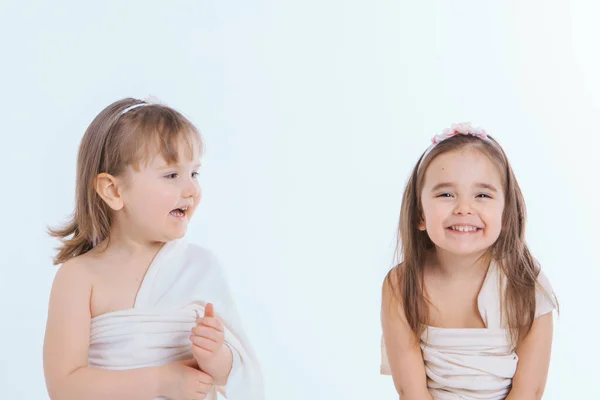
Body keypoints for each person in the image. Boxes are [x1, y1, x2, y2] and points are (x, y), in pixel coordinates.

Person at [43, 97, 263, 400]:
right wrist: (159, 383)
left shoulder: (200, 267)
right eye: (171, 175)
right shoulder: (79, 277)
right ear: (113, 190)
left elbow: (239, 374)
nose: (191, 190)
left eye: (194, 173)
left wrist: (218, 359)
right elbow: (64, 387)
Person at [380, 123, 558, 400]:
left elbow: (529, 391)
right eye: (446, 194)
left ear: (506, 215)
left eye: (482, 195)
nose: (464, 208)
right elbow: (411, 391)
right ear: (420, 214)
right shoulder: (401, 285)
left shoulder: (525, 283)